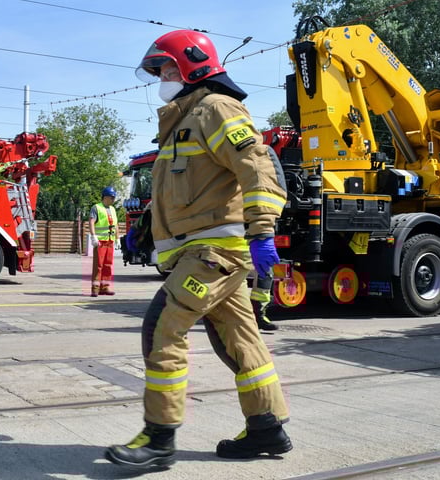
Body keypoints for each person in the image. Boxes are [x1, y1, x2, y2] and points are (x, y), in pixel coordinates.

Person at [105, 30, 291, 468]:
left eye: (168, 69)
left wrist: (262, 231)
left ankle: (158, 439)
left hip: (214, 253)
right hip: (203, 250)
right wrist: (147, 232)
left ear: (193, 66)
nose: (162, 78)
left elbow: (258, 166)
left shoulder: (215, 108)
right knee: (242, 341)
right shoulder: (181, 121)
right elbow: (187, 192)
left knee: (162, 328)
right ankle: (266, 427)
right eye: (159, 71)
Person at [88, 186, 118, 297]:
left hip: (110, 241)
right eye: (112, 197)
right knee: (98, 265)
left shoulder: (113, 209)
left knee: (108, 265)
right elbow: (91, 222)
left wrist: (117, 238)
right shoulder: (96, 208)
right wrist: (93, 236)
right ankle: (95, 289)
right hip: (100, 242)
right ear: (106, 197)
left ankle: (105, 287)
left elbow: (116, 225)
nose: (114, 200)